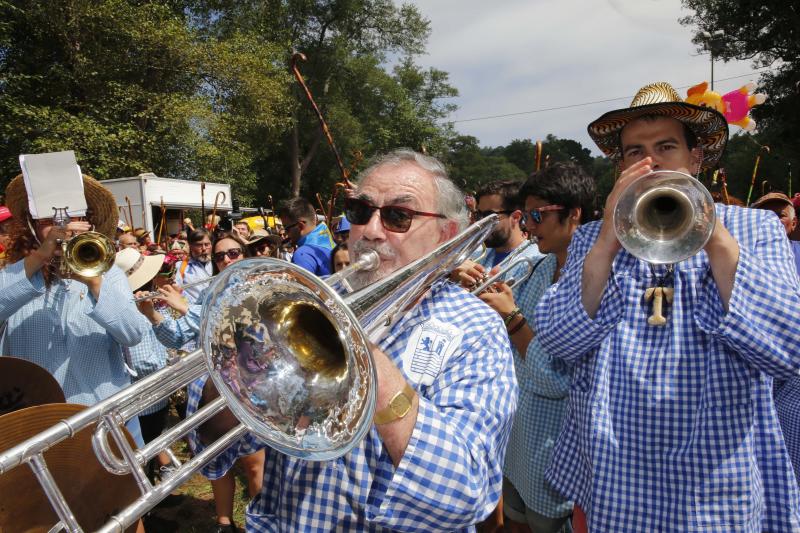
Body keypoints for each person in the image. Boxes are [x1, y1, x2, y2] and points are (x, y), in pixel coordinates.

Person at [534, 82, 800, 531]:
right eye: (634, 152)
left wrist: (709, 230)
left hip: (713, 489)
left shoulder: (754, 229)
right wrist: (606, 242)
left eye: (666, 147)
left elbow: (787, 346)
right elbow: (559, 342)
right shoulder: (591, 239)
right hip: (613, 480)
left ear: (696, 158)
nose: (650, 163)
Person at [209, 149, 517, 531]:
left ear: (446, 234)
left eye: (397, 216)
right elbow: (214, 445)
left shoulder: (475, 328)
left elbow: (463, 494)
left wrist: (358, 348)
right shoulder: (300, 303)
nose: (370, 230)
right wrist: (231, 364)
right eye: (360, 211)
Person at [477, 163, 595, 532]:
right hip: (519, 442)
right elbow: (512, 350)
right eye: (526, 215)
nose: (527, 225)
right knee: (513, 519)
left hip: (553, 451)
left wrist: (512, 317)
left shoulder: (593, 282)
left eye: (536, 215)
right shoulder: (541, 268)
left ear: (573, 214)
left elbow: (556, 379)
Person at [0, 173, 146, 444]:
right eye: (48, 220)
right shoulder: (13, 275)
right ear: (32, 227)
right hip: (38, 426)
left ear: (88, 223)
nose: (63, 226)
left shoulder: (110, 274)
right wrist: (39, 258)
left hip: (106, 419)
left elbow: (133, 333)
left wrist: (94, 280)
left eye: (74, 216)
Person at [137, 232, 264, 533]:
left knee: (254, 463)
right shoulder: (212, 291)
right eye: (220, 257)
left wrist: (185, 307)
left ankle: (262, 522)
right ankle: (224, 523)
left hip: (250, 390)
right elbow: (180, 335)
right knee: (216, 461)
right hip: (209, 390)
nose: (225, 260)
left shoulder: (259, 285)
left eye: (232, 253)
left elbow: (244, 327)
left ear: (244, 254)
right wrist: (153, 313)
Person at [453, 180, 542, 292]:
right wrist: (452, 276)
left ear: (515, 217)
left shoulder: (535, 261)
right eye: (479, 215)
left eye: (489, 216)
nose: (481, 222)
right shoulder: (475, 253)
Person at [277, 197, 334, 276]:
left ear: (300, 226)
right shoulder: (334, 244)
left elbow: (298, 288)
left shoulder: (303, 254)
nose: (286, 234)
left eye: (287, 228)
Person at [751, 191, 800, 276]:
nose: (772, 219)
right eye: (765, 214)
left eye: (780, 215)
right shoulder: (743, 251)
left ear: (793, 223)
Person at [174, 228, 213, 305]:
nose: (204, 249)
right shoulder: (181, 266)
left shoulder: (218, 263)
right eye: (199, 245)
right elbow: (176, 290)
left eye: (207, 244)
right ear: (191, 247)